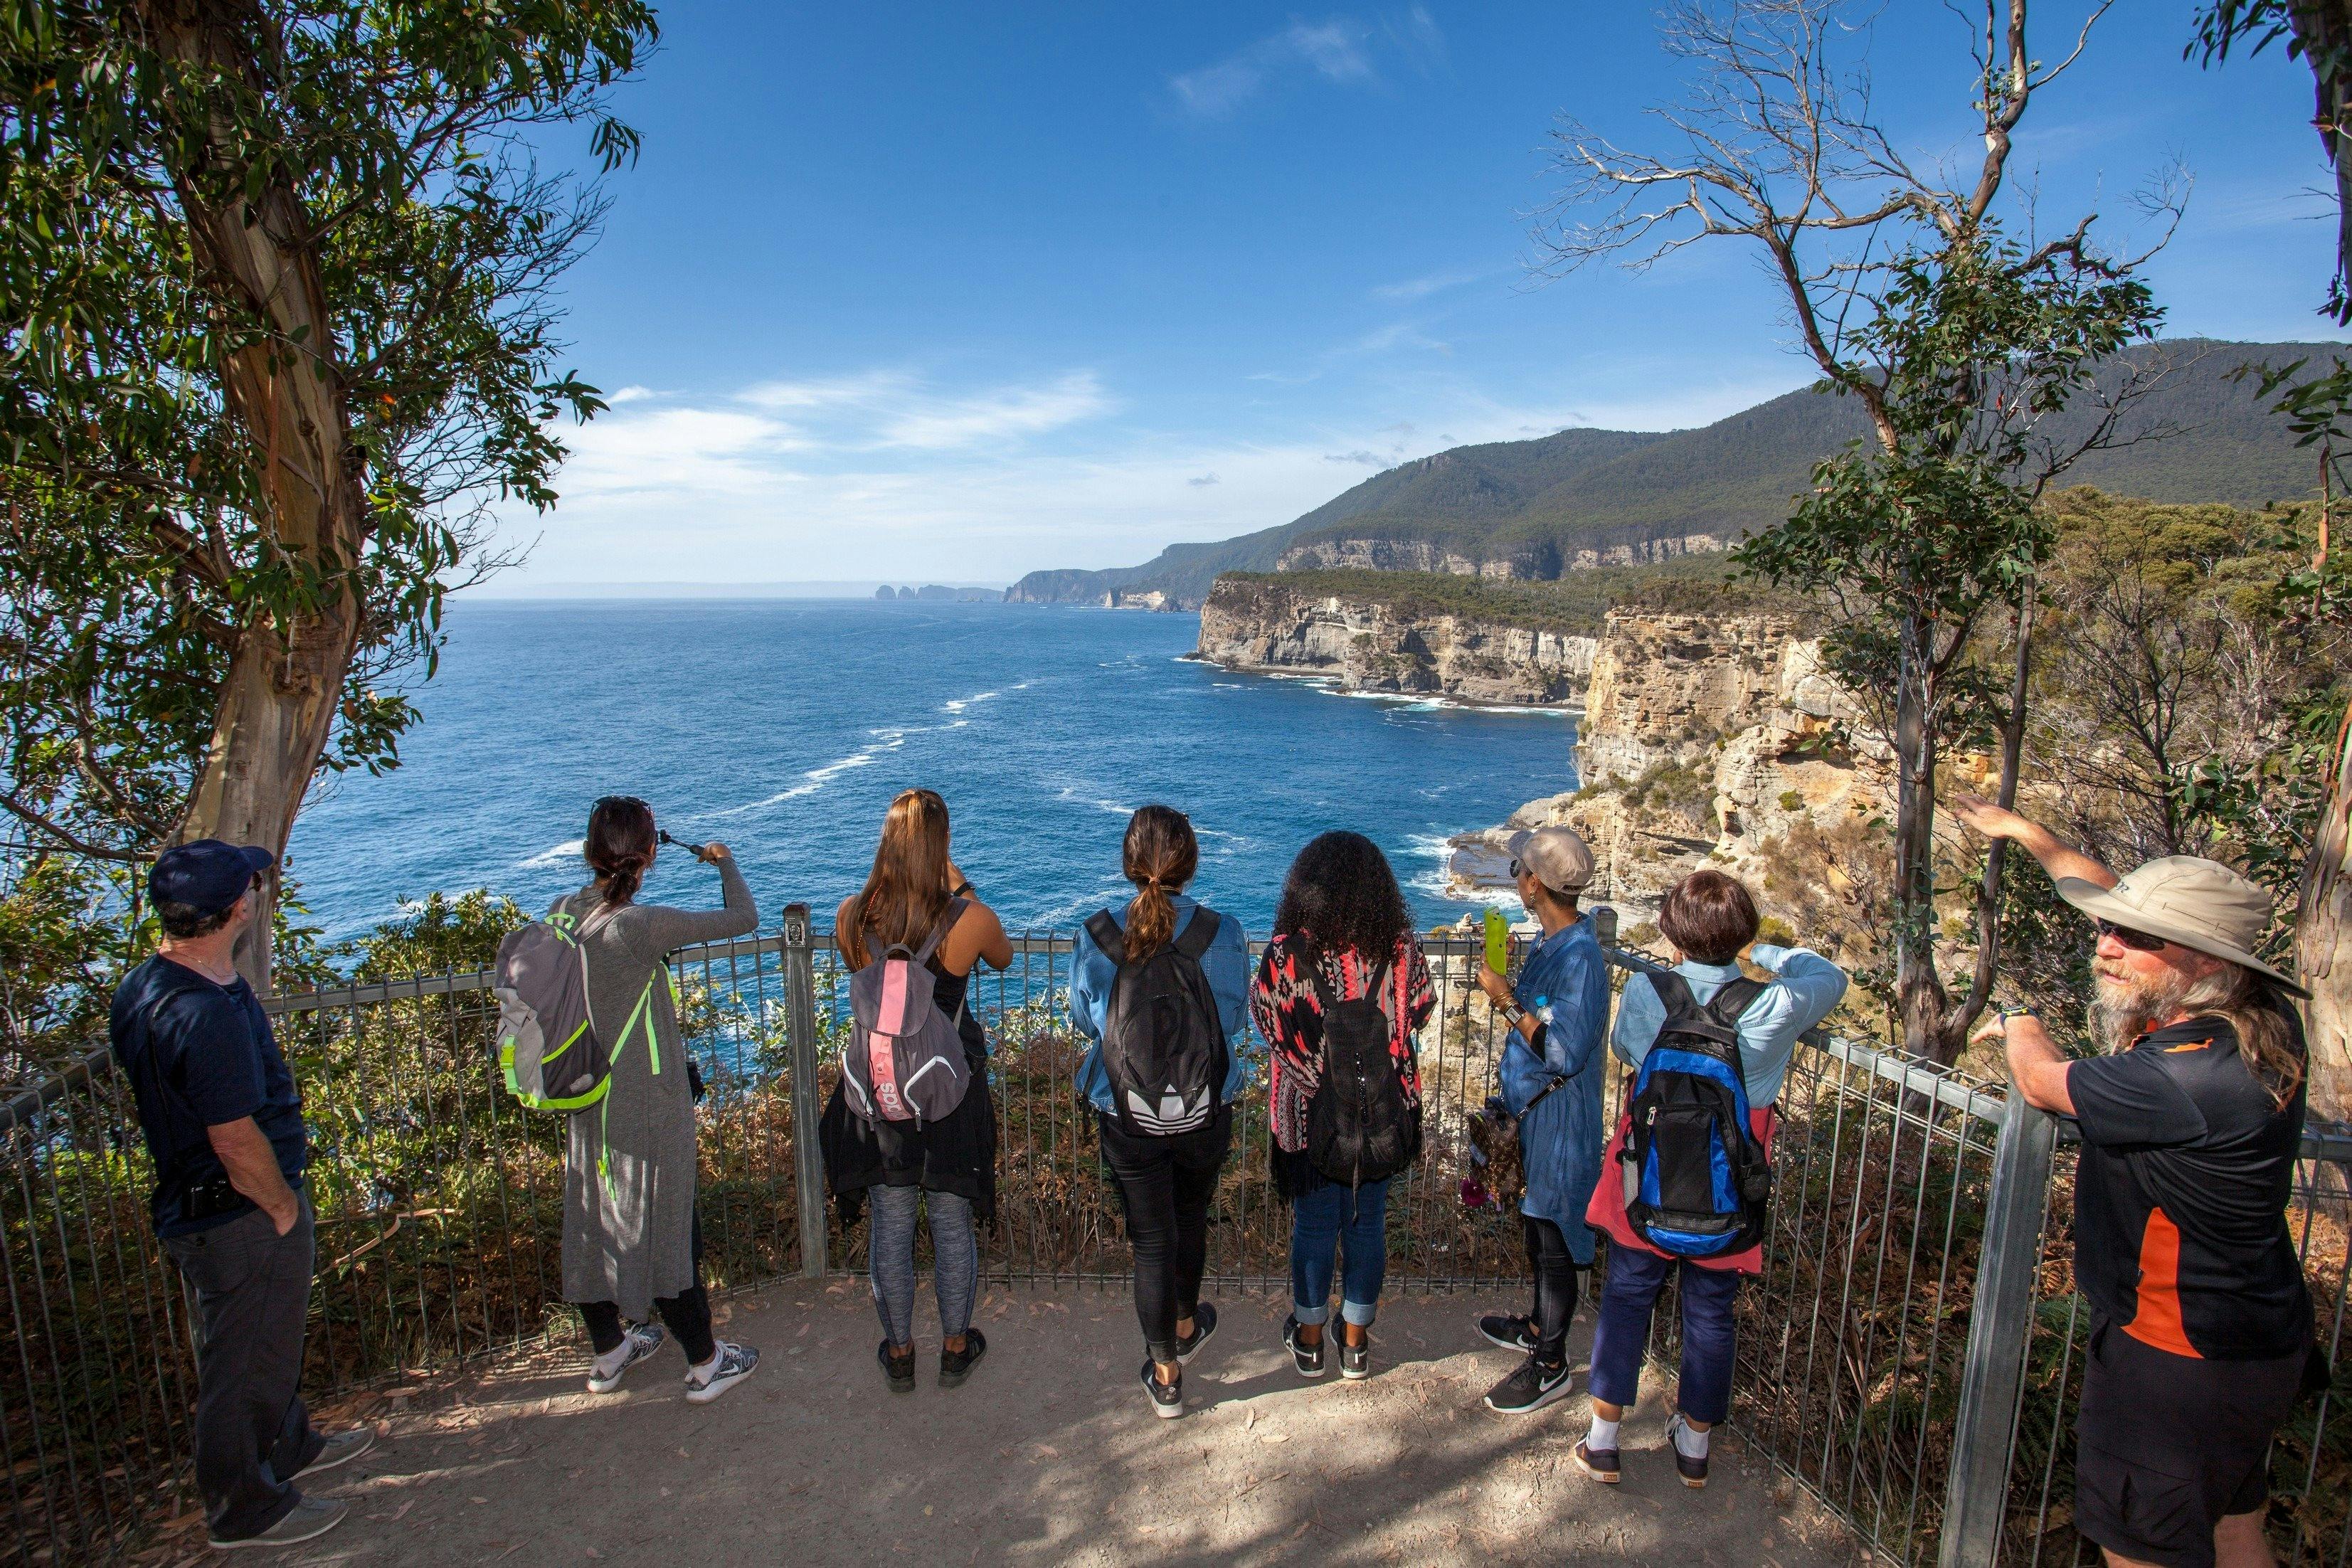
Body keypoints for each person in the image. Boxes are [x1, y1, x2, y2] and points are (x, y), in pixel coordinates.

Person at [1954, 795, 2317, 1568]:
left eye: (2135, 937)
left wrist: (2020, 1019)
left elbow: (2045, 1082)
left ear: (2205, 958)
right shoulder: (2261, 1018)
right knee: (2234, 1524)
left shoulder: (2186, 1079)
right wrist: (2029, 835)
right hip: (2255, 1339)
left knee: (2139, 1546)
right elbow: (2104, 888)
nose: (2107, 946)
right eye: (2108, 927)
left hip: (2170, 1361)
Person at [111, 842, 374, 1549]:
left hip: (202, 1203)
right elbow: (232, 1134)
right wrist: (282, 1206)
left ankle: (286, 1442)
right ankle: (243, 1505)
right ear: (236, 908)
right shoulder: (205, 1014)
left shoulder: (148, 985)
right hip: (239, 1210)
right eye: (251, 885)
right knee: (241, 1357)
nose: (257, 892)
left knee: (263, 1341)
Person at [1578, 868, 1847, 1487]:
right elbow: (1831, 977)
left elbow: (1625, 1049)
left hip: (1648, 1169)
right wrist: (1765, 953)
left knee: (1626, 1296)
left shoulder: (1652, 991)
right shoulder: (1773, 1004)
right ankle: (1695, 1447)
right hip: (1731, 1178)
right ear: (1741, 934)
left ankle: (1604, 1440)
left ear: (1673, 935)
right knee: (1710, 1311)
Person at [553, 796, 761, 1404]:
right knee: (670, 1224)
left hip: (584, 1091)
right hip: (646, 1097)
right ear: (648, 856)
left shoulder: (564, 912)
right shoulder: (638, 927)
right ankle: (705, 1363)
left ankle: (610, 1350)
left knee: (594, 1218)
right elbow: (743, 917)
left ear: (593, 851)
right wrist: (725, 862)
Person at [820, 788, 1012, 1394]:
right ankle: (956, 1348)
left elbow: (874, 984)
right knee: (951, 1224)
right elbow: (1003, 957)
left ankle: (899, 1352)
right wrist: (961, 888)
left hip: (879, 1094)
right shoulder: (968, 920)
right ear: (942, 845)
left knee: (892, 1226)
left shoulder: (852, 917)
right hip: (947, 1091)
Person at [1069, 805, 1252, 1419]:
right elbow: (1232, 1021)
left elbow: (1083, 1019)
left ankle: (1167, 1377)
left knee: (1151, 1238)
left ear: (1128, 863)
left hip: (1125, 1110)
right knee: (1191, 1215)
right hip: (1207, 1108)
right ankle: (1185, 1320)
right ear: (1189, 861)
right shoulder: (1224, 934)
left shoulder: (1095, 936)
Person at [1252, 831, 1435, 1382]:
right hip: (1381, 1112)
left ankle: (1308, 1341)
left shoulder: (1287, 954)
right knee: (1366, 1223)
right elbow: (1420, 1011)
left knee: (1312, 1226)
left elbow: (1269, 1024)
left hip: (1310, 1119)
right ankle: (1355, 1344)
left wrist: (1314, 1070)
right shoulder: (1401, 950)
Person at [1470, 825, 1611, 1414]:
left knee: (1554, 1236)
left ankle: (1551, 1363)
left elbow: (1563, 1051)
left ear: (1535, 885)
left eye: (1518, 872)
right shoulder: (1557, 944)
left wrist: (1506, 1001)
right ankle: (1538, 1326)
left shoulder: (1580, 959)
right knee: (1536, 1224)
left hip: (1560, 1122)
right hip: (1536, 1116)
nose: (1516, 881)